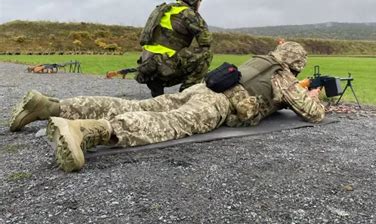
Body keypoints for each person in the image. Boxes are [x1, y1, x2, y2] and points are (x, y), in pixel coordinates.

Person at [10, 41, 325, 172]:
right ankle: (88, 132)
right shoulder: (283, 76)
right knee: (172, 124)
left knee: (139, 106)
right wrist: (314, 98)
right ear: (295, 65)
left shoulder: (261, 61)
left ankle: (52, 106)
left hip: (201, 88)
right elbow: (311, 115)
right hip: (218, 102)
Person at [136, 0, 212, 97]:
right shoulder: (188, 13)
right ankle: (187, 94)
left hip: (146, 65)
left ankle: (157, 90)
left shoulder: (162, 9)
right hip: (163, 66)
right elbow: (206, 41)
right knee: (206, 53)